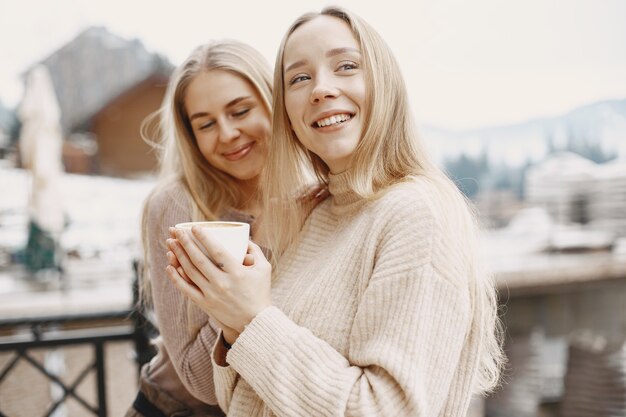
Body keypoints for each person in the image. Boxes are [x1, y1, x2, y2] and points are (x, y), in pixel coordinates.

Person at [166, 6, 505, 417]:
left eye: (345, 66)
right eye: (299, 78)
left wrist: (252, 317)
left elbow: (386, 410)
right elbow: (241, 400)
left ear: (384, 81)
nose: (320, 90)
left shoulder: (417, 214)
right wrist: (232, 319)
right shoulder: (316, 215)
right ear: (286, 111)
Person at [125, 39, 274, 417]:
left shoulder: (319, 196)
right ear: (190, 135)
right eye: (205, 123)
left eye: (240, 111)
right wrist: (270, 239)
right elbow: (200, 381)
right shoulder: (177, 204)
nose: (226, 134)